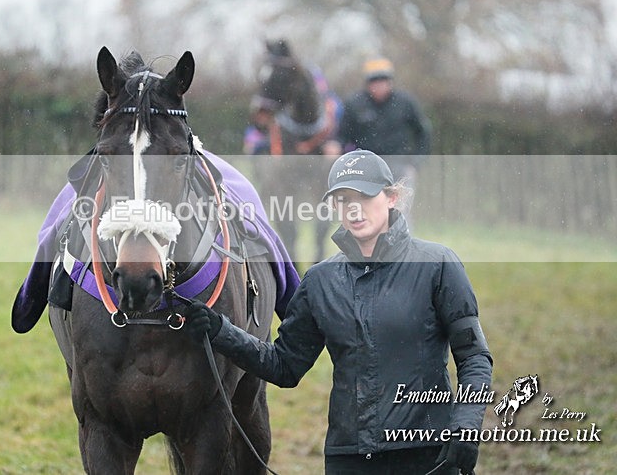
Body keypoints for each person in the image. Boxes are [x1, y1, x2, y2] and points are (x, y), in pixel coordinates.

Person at [183, 149, 492, 475]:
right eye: (343, 200)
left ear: (391, 197)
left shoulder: (438, 265)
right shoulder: (320, 280)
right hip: (349, 456)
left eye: (363, 196)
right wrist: (221, 331)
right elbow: (284, 366)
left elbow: (474, 357)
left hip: (427, 452)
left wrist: (466, 425)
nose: (354, 209)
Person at [338, 58, 432, 215]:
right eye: (374, 81)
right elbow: (342, 137)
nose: (379, 85)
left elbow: (423, 132)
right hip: (365, 170)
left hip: (399, 168)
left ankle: (399, 240)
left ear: (390, 81)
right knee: (367, 214)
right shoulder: (354, 104)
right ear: (367, 83)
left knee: (399, 215)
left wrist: (416, 163)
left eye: (383, 80)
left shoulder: (405, 102)